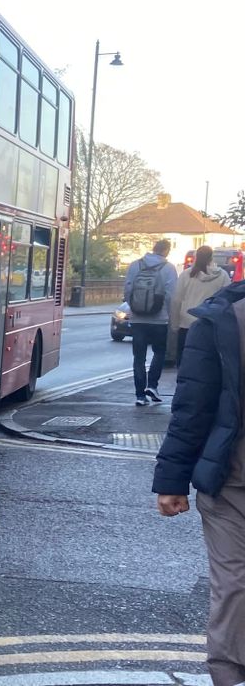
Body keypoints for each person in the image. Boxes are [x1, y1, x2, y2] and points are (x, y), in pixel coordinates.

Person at [153, 279, 245, 686]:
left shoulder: (222, 316)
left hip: (230, 476)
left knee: (233, 582)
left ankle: (227, 675)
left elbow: (193, 407)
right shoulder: (218, 317)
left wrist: (172, 482)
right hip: (231, 480)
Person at [124, 238, 178, 406]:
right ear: (167, 251)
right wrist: (169, 316)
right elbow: (170, 295)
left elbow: (127, 289)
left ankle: (140, 395)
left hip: (138, 318)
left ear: (153, 248)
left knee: (138, 357)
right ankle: (152, 386)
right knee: (160, 353)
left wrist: (134, 308)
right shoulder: (169, 268)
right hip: (159, 320)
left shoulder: (135, 265)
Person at [171, 246, 230, 367]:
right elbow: (227, 301)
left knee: (184, 361)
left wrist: (175, 324)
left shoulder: (186, 275)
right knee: (206, 362)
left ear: (195, 257)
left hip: (186, 324)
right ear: (211, 258)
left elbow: (176, 301)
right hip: (210, 324)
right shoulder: (222, 276)